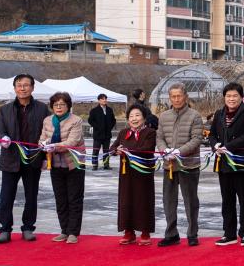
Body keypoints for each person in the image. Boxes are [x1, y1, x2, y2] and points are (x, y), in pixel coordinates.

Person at [0, 74, 50, 244]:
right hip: (10, 158)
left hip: (33, 158)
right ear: (14, 88)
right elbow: (0, 130)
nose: (22, 88)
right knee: (6, 196)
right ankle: (5, 229)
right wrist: (3, 138)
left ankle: (28, 227)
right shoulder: (5, 109)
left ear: (32, 87)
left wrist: (44, 156)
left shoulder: (42, 109)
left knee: (31, 196)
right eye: (19, 85)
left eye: (26, 85)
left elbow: (47, 132)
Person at [155, 83, 205, 247]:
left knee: (190, 201)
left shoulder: (194, 116)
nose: (176, 99)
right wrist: (164, 150)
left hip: (188, 165)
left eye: (179, 96)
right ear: (169, 98)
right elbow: (159, 137)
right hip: (169, 165)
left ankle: (192, 233)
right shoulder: (163, 116)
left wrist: (179, 152)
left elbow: (197, 139)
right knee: (168, 201)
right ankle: (171, 234)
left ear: (185, 97)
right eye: (173, 96)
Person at [209, 83, 244, 246]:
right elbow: (212, 135)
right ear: (224, 97)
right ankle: (229, 233)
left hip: (242, 163)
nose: (231, 99)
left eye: (235, 96)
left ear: (241, 97)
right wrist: (215, 145)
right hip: (224, 163)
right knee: (227, 199)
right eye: (228, 96)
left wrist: (228, 146)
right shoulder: (219, 114)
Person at [38, 92, 86, 243]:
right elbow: (42, 138)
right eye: (56, 104)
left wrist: (53, 145)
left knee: (74, 198)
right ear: (52, 106)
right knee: (60, 199)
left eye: (62, 104)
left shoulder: (76, 120)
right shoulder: (47, 120)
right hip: (55, 164)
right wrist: (43, 144)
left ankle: (73, 232)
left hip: (74, 164)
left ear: (68, 106)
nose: (59, 107)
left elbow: (72, 142)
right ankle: (64, 230)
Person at [110, 103, 157, 246]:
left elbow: (147, 148)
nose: (134, 119)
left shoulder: (150, 132)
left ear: (144, 118)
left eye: (137, 115)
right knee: (126, 201)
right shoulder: (123, 132)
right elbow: (112, 148)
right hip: (126, 174)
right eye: (131, 116)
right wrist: (116, 150)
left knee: (143, 201)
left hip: (143, 173)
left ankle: (145, 232)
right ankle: (128, 232)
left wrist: (126, 150)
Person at [87, 93, 117, 170]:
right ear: (99, 100)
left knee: (106, 151)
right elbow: (90, 120)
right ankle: (94, 165)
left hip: (107, 134)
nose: (105, 100)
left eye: (105, 99)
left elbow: (113, 120)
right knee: (95, 151)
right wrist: (97, 127)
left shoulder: (109, 110)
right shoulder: (94, 110)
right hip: (98, 135)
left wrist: (110, 127)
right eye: (103, 99)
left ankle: (106, 165)